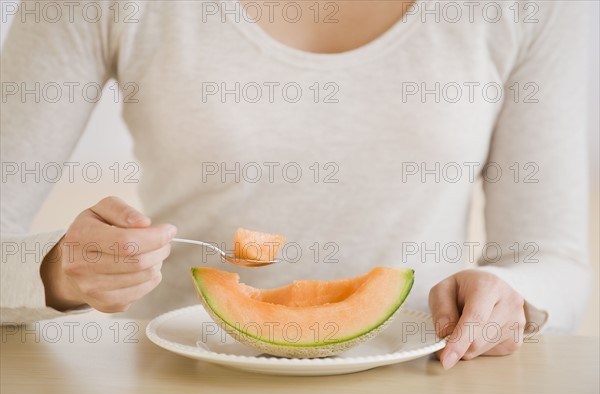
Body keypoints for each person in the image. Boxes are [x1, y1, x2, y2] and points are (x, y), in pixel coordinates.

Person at [1, 0, 591, 370]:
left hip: (421, 385)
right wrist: (57, 271)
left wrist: (509, 291)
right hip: (179, 388)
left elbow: (552, 261)